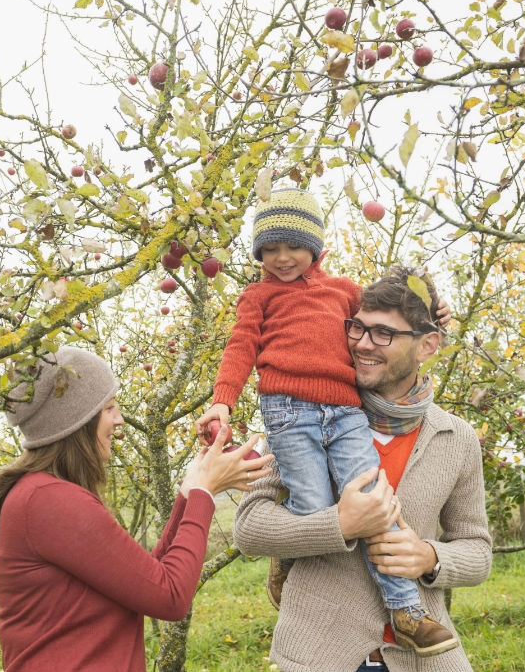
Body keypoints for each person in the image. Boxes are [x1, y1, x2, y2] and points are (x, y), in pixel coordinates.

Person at [194, 188, 455, 655]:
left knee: (375, 502)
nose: (282, 258)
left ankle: (407, 612)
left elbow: (390, 316)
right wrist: (222, 403)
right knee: (315, 507)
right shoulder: (257, 296)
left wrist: (431, 311)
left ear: (315, 247)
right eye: (270, 249)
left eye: (293, 246)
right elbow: (240, 347)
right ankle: (290, 558)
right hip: (287, 413)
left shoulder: (344, 291)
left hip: (345, 410)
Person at [233, 265, 493, 672]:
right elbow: (249, 527)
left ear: (427, 345)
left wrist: (429, 557)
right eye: (358, 328)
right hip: (321, 656)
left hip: (421, 659)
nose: (363, 344)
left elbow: (477, 549)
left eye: (383, 334)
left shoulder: (454, 438)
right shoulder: (306, 415)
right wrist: (338, 524)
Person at [0, 346, 273, 672]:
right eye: (109, 408)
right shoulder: (50, 501)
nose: (119, 419)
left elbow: (147, 578)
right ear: (76, 422)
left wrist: (190, 491)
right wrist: (205, 491)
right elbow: (171, 596)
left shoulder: (44, 495)